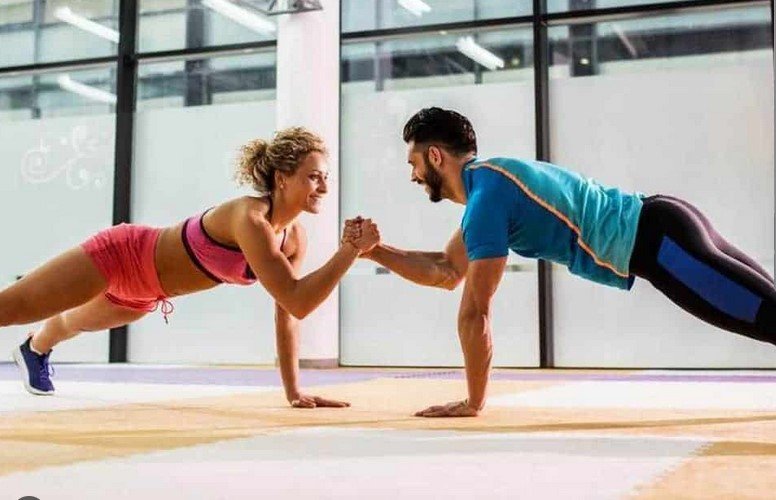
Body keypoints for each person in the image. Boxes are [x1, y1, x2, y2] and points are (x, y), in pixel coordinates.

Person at [344, 107, 776, 418]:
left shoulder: (485, 204)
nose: (413, 175)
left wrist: (473, 402)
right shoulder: (489, 186)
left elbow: (474, 315)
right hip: (665, 224)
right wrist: (376, 250)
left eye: (414, 163)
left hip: (659, 242)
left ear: (435, 156)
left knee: (766, 319)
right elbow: (446, 269)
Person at [1, 126, 379, 409]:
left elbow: (289, 314)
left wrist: (294, 393)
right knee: (11, 308)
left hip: (146, 295)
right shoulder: (249, 217)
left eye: (326, 177)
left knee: (71, 323)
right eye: (314, 176)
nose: (324, 187)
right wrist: (350, 251)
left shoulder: (293, 238)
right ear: (282, 179)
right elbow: (298, 300)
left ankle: (34, 351)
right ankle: (31, 344)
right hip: (121, 255)